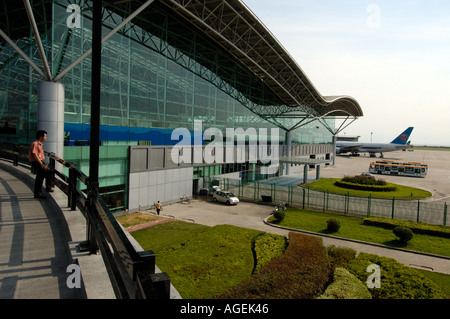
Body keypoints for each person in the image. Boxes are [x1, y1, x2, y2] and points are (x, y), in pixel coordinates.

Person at [28, 130, 53, 199]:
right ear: (41, 137)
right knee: (48, 172)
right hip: (37, 162)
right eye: (45, 136)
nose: (46, 137)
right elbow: (35, 155)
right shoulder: (35, 144)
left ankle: (38, 193)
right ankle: (47, 187)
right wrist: (41, 163)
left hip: (39, 162)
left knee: (40, 178)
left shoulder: (40, 144)